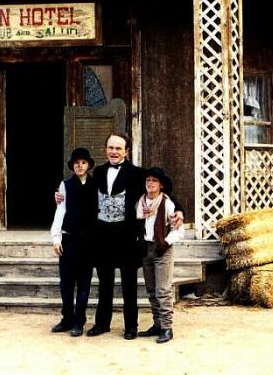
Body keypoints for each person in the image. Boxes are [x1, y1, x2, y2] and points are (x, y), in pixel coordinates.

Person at [55, 133, 184, 340]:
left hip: (127, 238)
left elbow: (159, 189)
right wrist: (60, 195)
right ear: (106, 149)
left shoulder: (137, 173)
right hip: (102, 237)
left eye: (118, 148)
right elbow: (81, 190)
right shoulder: (98, 172)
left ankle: (131, 326)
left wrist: (179, 209)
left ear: (126, 151)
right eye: (110, 148)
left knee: (129, 284)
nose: (114, 152)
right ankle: (102, 323)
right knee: (105, 283)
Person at [50, 147, 97, 337]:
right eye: (76, 163)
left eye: (83, 162)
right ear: (72, 166)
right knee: (66, 283)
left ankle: (79, 321)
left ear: (88, 165)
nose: (80, 165)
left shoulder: (96, 185)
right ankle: (67, 318)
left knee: (84, 283)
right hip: (69, 239)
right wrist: (56, 237)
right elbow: (60, 211)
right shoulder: (65, 185)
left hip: (88, 241)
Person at [136, 167, 185, 343]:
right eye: (148, 180)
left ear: (161, 185)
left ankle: (166, 327)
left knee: (163, 290)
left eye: (154, 181)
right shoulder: (140, 203)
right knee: (151, 289)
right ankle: (157, 324)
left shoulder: (167, 203)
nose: (150, 183)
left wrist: (165, 243)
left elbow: (179, 230)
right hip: (146, 249)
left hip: (162, 249)